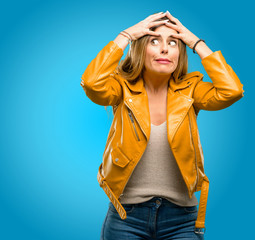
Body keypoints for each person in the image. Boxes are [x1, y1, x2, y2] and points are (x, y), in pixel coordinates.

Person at [80, 10, 244, 240]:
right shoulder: (121, 89)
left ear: (181, 52)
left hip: (183, 219)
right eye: (154, 41)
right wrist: (126, 35)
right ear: (140, 49)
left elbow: (232, 90)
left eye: (174, 43)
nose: (165, 49)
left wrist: (195, 42)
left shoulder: (191, 90)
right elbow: (91, 83)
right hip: (126, 217)